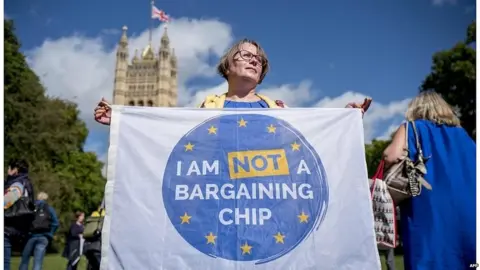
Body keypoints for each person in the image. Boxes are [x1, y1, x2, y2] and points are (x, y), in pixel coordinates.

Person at [93, 38, 371, 123]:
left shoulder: (274, 107)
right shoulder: (209, 105)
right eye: (245, 55)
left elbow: (312, 130)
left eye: (259, 60)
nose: (254, 60)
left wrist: (344, 120)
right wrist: (119, 119)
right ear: (226, 66)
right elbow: (167, 129)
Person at [382, 91, 475, 270]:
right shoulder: (463, 135)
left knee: (431, 258)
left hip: (428, 208)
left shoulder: (411, 127)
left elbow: (390, 156)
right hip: (468, 208)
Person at [4, 159, 35, 270]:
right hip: (19, 229)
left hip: (7, 229)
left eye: (8, 168)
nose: (7, 171)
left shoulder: (18, 184)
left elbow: (5, 202)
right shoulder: (27, 184)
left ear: (15, 170)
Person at [19, 191, 60, 270]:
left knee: (25, 259)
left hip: (31, 235)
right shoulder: (49, 208)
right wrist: (50, 233)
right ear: (45, 198)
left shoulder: (31, 207)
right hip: (44, 236)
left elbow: (24, 220)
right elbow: (56, 223)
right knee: (38, 261)